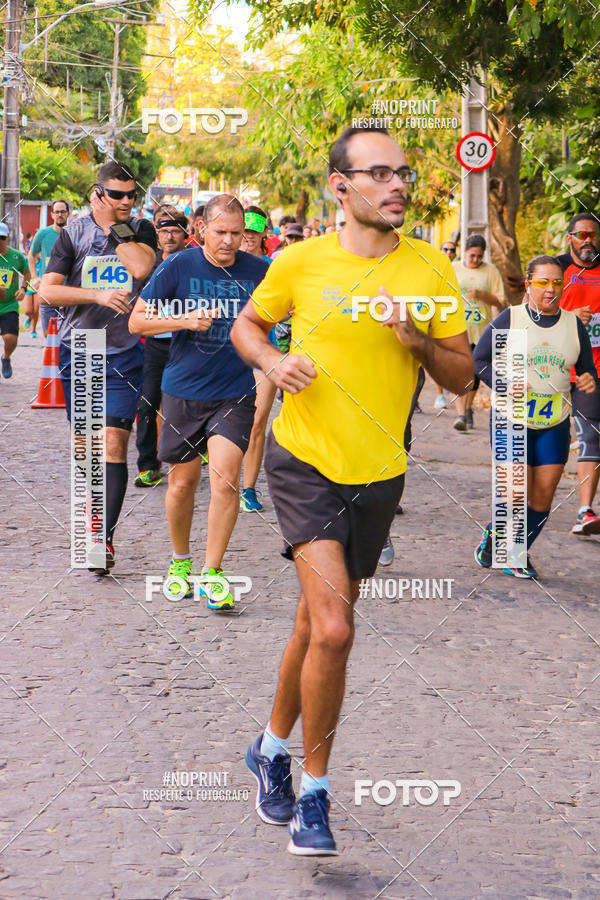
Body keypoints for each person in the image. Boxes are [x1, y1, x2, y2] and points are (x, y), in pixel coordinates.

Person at [231, 124, 471, 856]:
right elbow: (248, 324)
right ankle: (315, 793)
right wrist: (271, 361)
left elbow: (463, 376)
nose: (397, 184)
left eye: (402, 172)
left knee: (313, 623)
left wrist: (418, 343)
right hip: (303, 461)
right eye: (379, 174)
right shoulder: (299, 263)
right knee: (335, 628)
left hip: (379, 471)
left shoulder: (430, 269)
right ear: (341, 186)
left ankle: (270, 747)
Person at [129, 194, 269, 609]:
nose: (229, 241)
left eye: (237, 233)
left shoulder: (260, 271)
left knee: (226, 478)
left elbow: (292, 308)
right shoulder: (178, 266)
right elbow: (138, 320)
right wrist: (184, 320)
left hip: (234, 390)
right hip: (183, 390)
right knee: (182, 482)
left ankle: (212, 572)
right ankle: (180, 561)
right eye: (221, 232)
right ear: (201, 229)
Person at [40, 161, 157, 574]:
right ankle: (91, 525)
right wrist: (96, 295)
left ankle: (102, 538)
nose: (126, 201)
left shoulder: (140, 230)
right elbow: (47, 292)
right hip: (83, 347)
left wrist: (113, 227)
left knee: (114, 444)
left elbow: (141, 268)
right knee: (88, 448)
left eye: (131, 195)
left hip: (125, 350)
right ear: (99, 192)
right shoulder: (71, 234)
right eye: (117, 195)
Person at [474, 255, 596, 577]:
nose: (551, 289)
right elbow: (479, 361)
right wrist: (504, 383)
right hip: (510, 418)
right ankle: (513, 555)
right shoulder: (511, 320)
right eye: (542, 282)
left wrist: (587, 381)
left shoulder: (573, 325)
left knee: (542, 497)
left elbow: (586, 372)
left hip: (553, 422)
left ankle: (504, 541)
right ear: (529, 285)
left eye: (557, 283)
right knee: (516, 492)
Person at [134, 207, 189, 488]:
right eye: (164, 230)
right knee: (147, 402)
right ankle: (148, 464)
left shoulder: (193, 263)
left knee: (187, 404)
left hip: (187, 343)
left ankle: (189, 455)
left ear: (185, 233)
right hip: (155, 343)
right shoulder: (148, 265)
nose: (169, 236)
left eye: (175, 230)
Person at [557, 213, 600, 534]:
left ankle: (585, 510)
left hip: (591, 372)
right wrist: (569, 315)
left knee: (590, 436)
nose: (589, 240)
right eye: (582, 234)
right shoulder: (556, 269)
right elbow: (529, 309)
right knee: (548, 444)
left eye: (593, 235)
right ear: (570, 237)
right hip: (551, 369)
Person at [240, 206, 278, 512]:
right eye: (244, 231)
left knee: (257, 421)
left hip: (263, 350)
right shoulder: (219, 264)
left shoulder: (272, 269)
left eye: (254, 232)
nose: (248, 238)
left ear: (264, 234)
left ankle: (249, 488)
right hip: (220, 350)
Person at [452, 233, 505, 430]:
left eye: (479, 256)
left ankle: (467, 409)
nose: (475, 260)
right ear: (464, 252)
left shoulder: (490, 271)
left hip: (482, 330)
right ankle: (460, 415)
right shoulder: (453, 268)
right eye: (472, 255)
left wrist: (482, 295)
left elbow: (499, 300)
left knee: (474, 375)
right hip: (457, 328)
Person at [28, 199, 70, 337]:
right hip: (48, 291)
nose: (60, 215)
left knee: (68, 333)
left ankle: (63, 357)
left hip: (69, 292)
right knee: (49, 333)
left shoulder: (74, 233)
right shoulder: (43, 234)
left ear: (68, 213)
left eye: (62, 211)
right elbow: (31, 255)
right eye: (56, 212)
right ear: (52, 214)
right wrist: (34, 277)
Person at [0, 223, 30, 377]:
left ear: (7, 238)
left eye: (2, 237)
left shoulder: (16, 256)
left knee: (11, 338)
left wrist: (23, 288)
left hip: (8, 305)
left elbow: (27, 273)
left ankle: (6, 357)